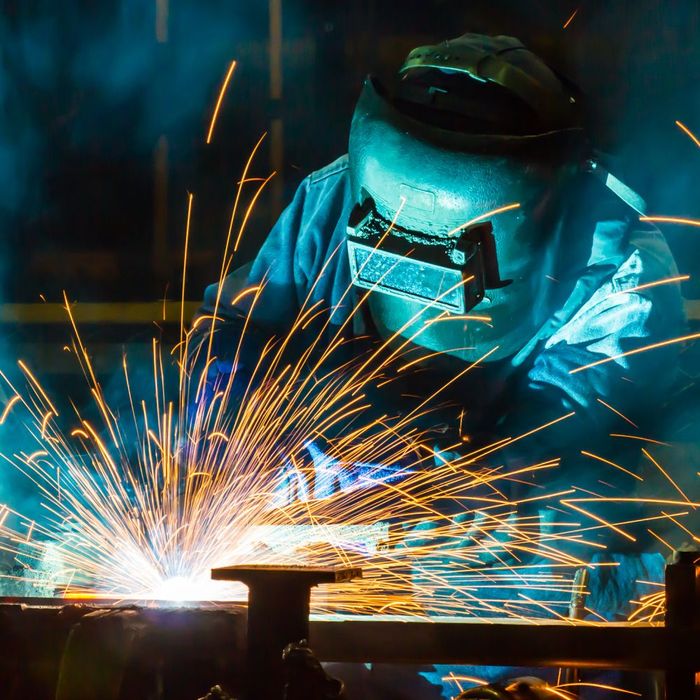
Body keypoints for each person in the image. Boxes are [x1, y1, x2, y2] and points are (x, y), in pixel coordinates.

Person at [191, 33, 685, 699]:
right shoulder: (334, 203)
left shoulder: (619, 271)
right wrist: (226, 416)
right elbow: (237, 331)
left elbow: (560, 455)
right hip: (348, 600)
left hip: (532, 613)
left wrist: (420, 484)